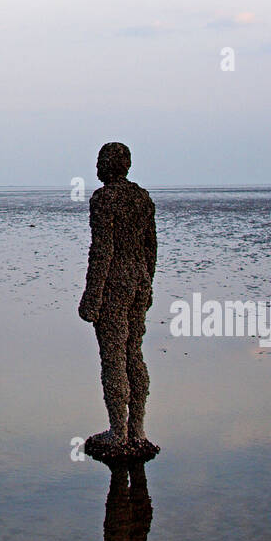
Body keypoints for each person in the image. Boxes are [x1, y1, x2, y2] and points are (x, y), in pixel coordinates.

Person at [78, 141, 158, 458]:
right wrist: (147, 284)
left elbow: (102, 252)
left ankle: (119, 431)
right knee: (133, 352)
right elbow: (151, 248)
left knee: (114, 355)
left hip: (115, 283)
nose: (97, 166)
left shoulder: (104, 199)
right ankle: (137, 429)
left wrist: (91, 297)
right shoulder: (142, 198)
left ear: (108, 165)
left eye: (100, 160)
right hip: (139, 281)